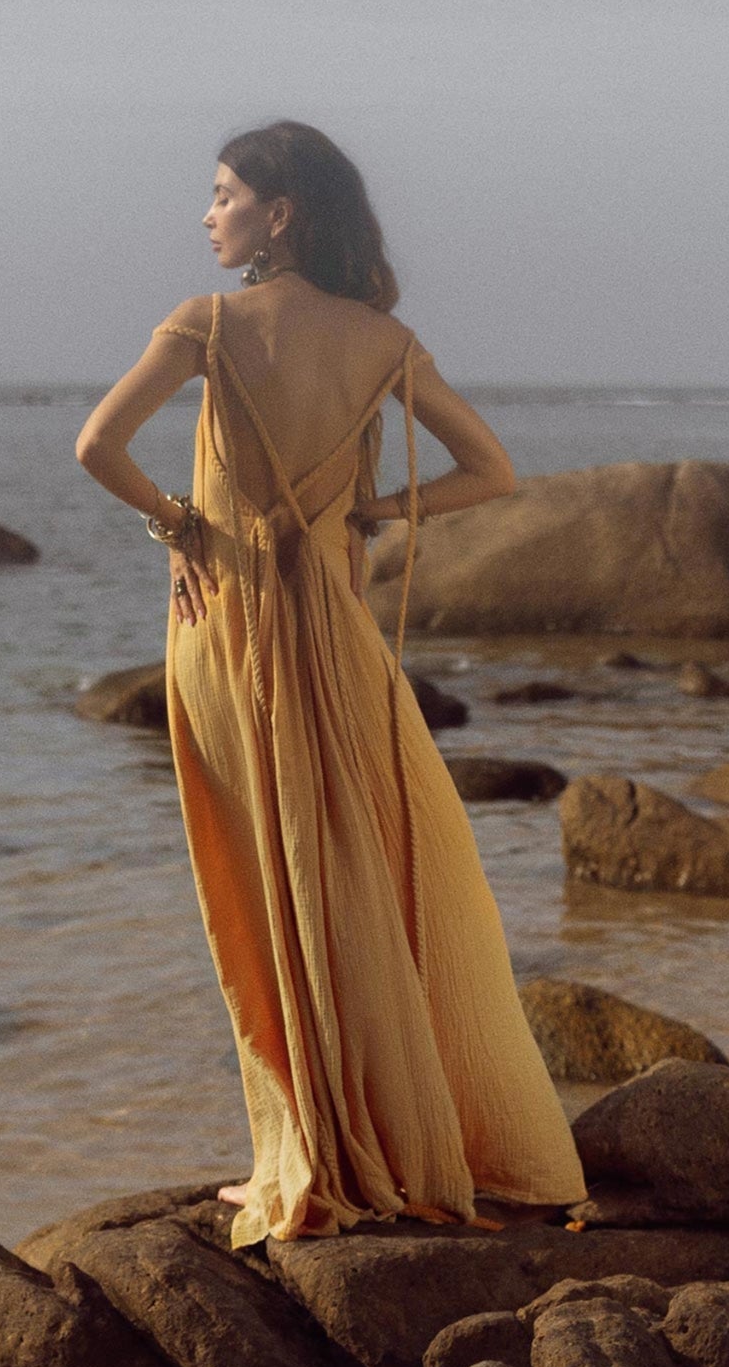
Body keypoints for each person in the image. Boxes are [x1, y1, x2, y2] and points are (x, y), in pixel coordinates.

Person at [76, 120, 586, 1248]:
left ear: (281, 211)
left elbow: (96, 446)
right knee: (365, 869)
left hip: (229, 625)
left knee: (262, 878)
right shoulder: (383, 339)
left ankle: (307, 1145)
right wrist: (378, 509)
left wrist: (180, 527)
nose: (207, 214)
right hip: (340, 632)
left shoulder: (206, 324)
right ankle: (393, 1137)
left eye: (221, 195)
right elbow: (492, 470)